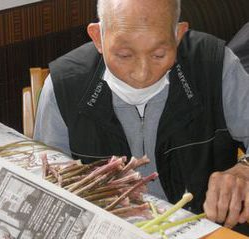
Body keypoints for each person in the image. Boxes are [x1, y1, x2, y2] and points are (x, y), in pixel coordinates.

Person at [34, 0, 249, 229]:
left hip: (209, 228)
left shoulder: (215, 66)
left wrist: (245, 169)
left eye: (158, 54)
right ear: (98, 37)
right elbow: (47, 186)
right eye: (125, 55)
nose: (142, 74)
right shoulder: (65, 86)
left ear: (178, 34)